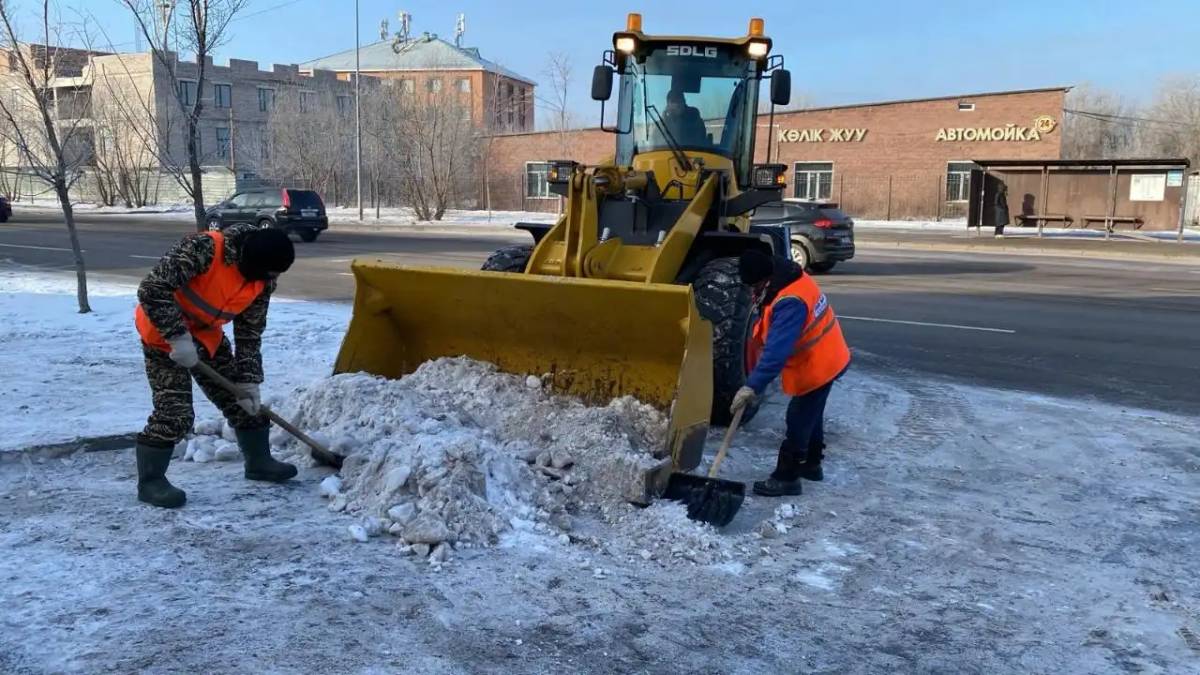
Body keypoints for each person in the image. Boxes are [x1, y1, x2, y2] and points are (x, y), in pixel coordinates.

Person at [132, 223, 298, 508]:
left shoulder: (264, 277)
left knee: (244, 401)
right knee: (175, 414)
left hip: (207, 338)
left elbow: (250, 331)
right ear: (248, 260)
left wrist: (249, 379)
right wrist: (177, 336)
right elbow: (152, 288)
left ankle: (259, 462)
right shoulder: (204, 250)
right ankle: (151, 483)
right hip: (163, 338)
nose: (267, 281)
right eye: (264, 275)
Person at [731, 249, 851, 497]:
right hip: (827, 354)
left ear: (765, 279)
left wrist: (751, 386)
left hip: (821, 361)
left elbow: (776, 353)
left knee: (798, 417)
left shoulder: (789, 302)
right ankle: (812, 464)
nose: (753, 291)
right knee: (811, 413)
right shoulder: (784, 277)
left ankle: (787, 477)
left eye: (755, 286)